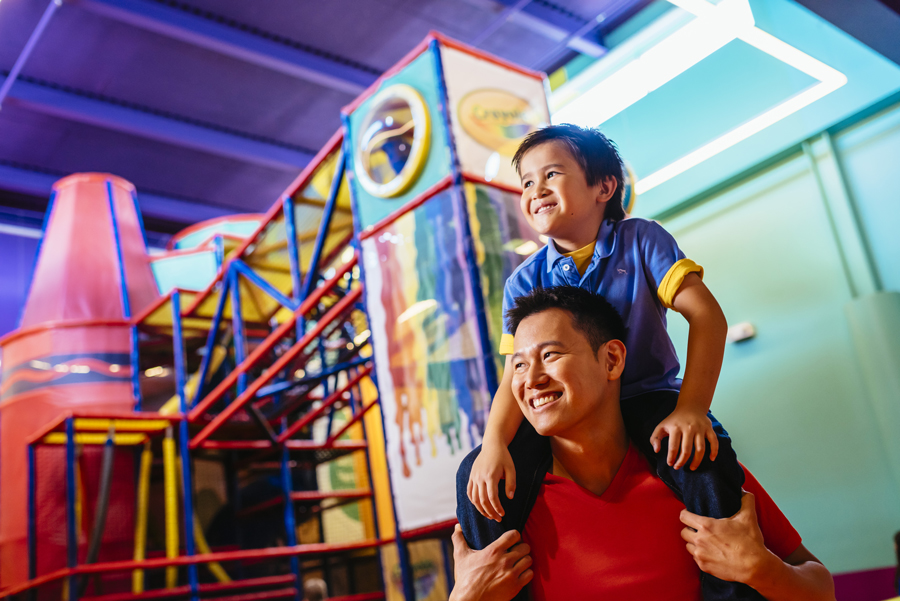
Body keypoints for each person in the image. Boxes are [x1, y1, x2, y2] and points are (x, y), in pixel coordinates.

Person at [464, 124, 754, 599]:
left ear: (604, 187)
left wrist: (691, 409)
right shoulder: (524, 280)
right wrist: (494, 442)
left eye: (551, 174)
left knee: (704, 457)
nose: (536, 190)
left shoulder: (642, 239)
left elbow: (707, 318)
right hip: (566, 419)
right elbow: (515, 373)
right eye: (527, 182)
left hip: (646, 397)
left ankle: (732, 585)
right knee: (476, 474)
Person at [452, 286, 835, 601]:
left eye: (550, 355)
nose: (531, 379)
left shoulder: (696, 470)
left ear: (612, 360)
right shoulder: (503, 501)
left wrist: (760, 569)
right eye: (519, 365)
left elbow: (821, 589)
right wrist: (465, 597)